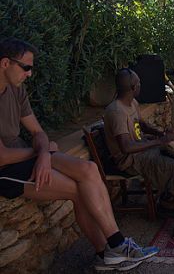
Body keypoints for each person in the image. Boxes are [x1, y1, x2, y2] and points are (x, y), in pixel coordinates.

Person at [0, 38, 159, 271]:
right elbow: (2, 157)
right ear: (5, 63)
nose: (30, 74)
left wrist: (44, 153)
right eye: (26, 67)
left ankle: (114, 248)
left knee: (89, 169)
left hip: (30, 155)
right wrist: (41, 151)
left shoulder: (16, 90)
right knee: (78, 190)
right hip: (6, 169)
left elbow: (38, 132)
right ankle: (112, 249)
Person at [104, 68, 174, 243]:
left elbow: (142, 125)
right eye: (138, 83)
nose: (140, 85)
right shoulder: (116, 111)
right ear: (132, 87)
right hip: (130, 160)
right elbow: (126, 148)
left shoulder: (132, 103)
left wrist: (161, 134)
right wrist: (159, 142)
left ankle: (168, 201)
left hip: (142, 151)